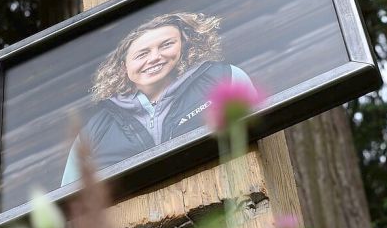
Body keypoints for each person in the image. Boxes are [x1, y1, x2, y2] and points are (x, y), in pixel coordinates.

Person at [60, 12, 253, 186]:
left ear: (184, 45)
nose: (155, 57)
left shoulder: (223, 79)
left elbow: (257, 131)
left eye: (166, 45)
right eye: (142, 54)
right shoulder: (94, 132)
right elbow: (72, 200)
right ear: (122, 66)